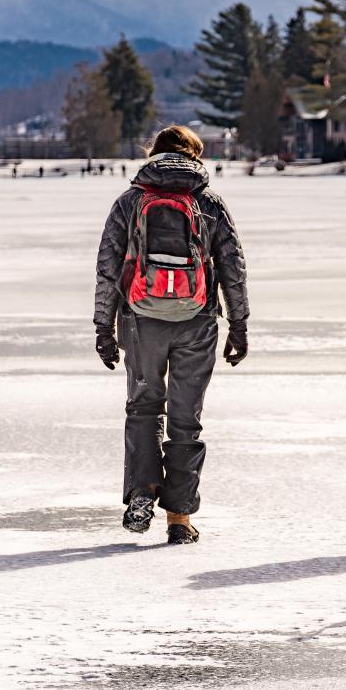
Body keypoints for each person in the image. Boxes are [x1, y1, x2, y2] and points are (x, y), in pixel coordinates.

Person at [94, 125, 249, 544]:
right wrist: (239, 325)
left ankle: (142, 492)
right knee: (186, 421)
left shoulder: (130, 201)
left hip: (140, 321)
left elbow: (109, 270)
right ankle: (179, 520)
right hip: (197, 322)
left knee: (143, 408)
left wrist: (103, 329)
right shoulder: (208, 202)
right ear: (195, 156)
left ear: (153, 154)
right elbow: (232, 268)